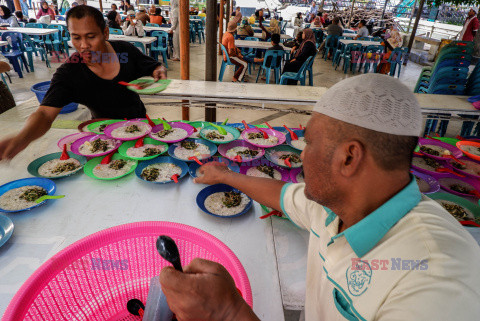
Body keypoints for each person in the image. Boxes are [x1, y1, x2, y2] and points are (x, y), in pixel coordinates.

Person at [159, 74, 480, 320]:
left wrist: (228, 312)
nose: (301, 158)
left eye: (309, 144)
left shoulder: (436, 280)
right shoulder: (339, 205)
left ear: (349, 158)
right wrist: (225, 175)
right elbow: (284, 195)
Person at [0, 5, 167, 161]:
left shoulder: (125, 51)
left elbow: (151, 66)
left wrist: (158, 69)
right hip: (103, 139)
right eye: (76, 37)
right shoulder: (70, 73)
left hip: (141, 129)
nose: (84, 45)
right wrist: (22, 138)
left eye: (91, 36)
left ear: (105, 33)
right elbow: (44, 114)